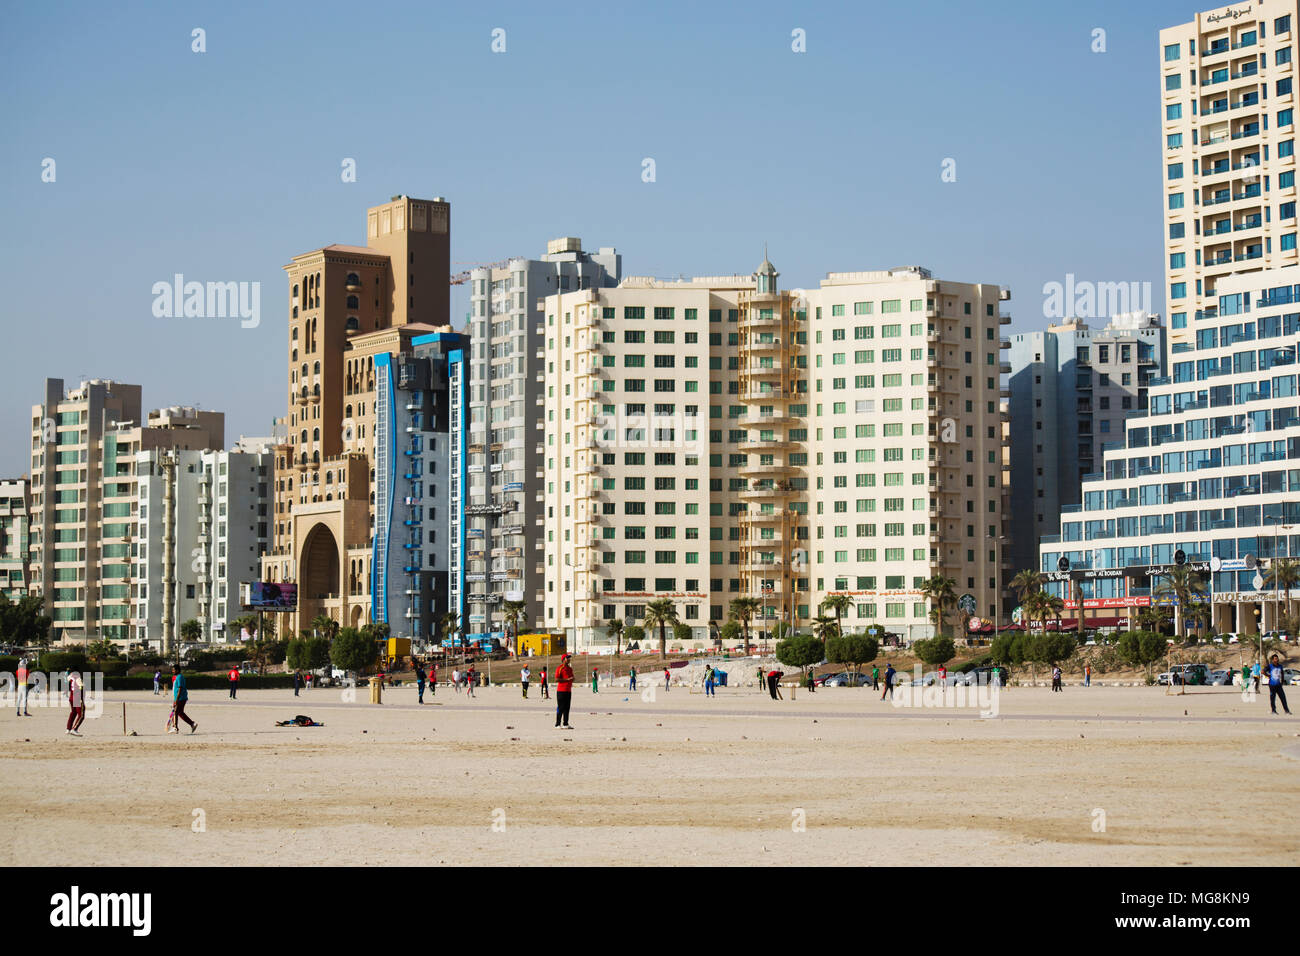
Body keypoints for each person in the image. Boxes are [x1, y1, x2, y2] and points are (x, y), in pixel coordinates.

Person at [172, 664, 197, 734]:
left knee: (176, 712)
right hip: (179, 698)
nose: (172, 671)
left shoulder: (179, 677)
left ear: (177, 670)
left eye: (173, 670)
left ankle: (175, 727)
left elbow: (180, 688)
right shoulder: (177, 677)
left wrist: (177, 699)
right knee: (179, 712)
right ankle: (192, 724)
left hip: (181, 698)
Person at [554, 653, 575, 729]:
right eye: (567, 658)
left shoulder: (570, 668)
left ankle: (565, 724)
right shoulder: (560, 668)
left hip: (568, 691)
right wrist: (567, 680)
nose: (569, 659)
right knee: (561, 707)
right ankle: (557, 724)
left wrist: (572, 679)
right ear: (563, 659)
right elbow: (556, 679)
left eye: (569, 658)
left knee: (567, 707)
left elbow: (572, 677)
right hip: (561, 691)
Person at [65, 670, 86, 736]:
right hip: (77, 698)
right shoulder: (78, 678)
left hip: (71, 697)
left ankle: (68, 728)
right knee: (81, 715)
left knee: (73, 713)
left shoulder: (71, 677)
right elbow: (81, 687)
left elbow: (67, 679)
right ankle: (74, 729)